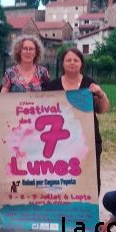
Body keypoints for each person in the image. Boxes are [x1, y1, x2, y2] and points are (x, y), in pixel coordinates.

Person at [43, 47, 109, 195]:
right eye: (68, 60)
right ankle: (65, 211)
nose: (72, 63)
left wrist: (101, 94)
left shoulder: (90, 84)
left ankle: (88, 212)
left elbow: (102, 109)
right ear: (62, 63)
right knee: (62, 175)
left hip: (88, 139)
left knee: (90, 175)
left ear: (81, 63)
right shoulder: (52, 86)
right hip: (59, 141)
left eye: (75, 60)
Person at [0, 35, 49, 104]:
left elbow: (50, 96)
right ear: (19, 51)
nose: (28, 52)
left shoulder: (43, 72)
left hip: (37, 113)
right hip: (15, 113)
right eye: (25, 48)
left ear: (36, 52)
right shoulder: (10, 72)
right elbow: (3, 97)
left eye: (31, 49)